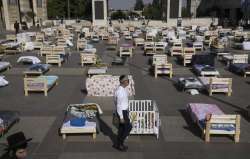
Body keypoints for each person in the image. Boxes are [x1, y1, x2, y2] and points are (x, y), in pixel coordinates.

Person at [113, 75, 132, 152]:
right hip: (122, 113)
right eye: (127, 80)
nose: (128, 81)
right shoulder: (120, 92)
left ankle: (118, 144)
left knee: (121, 129)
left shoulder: (122, 89)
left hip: (123, 111)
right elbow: (118, 105)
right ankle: (120, 144)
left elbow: (115, 101)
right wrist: (121, 117)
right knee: (128, 128)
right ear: (123, 82)